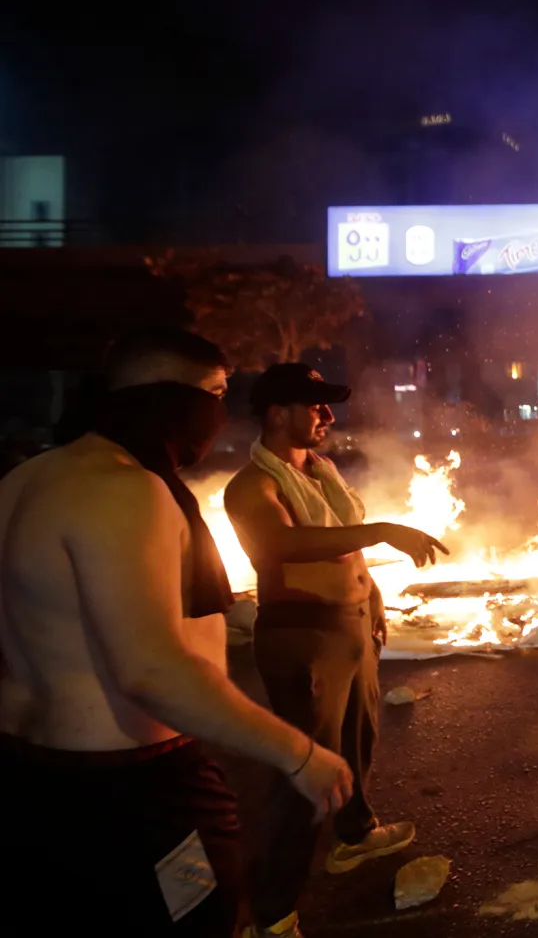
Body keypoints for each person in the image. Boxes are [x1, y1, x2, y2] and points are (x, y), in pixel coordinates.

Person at [0, 328, 352, 936]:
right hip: (132, 793)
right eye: (215, 394)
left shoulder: (23, 481)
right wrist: (298, 754)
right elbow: (150, 669)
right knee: (200, 919)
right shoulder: (122, 488)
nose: (220, 414)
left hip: (29, 779)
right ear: (170, 397)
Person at [224, 364, 447, 938]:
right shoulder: (252, 485)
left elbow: (345, 549)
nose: (327, 415)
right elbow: (279, 543)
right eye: (315, 405)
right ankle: (270, 915)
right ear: (278, 414)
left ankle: (354, 836)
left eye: (328, 405)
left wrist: (371, 597)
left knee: (357, 739)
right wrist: (382, 530)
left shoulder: (320, 472)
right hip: (305, 634)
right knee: (306, 769)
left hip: (350, 626)